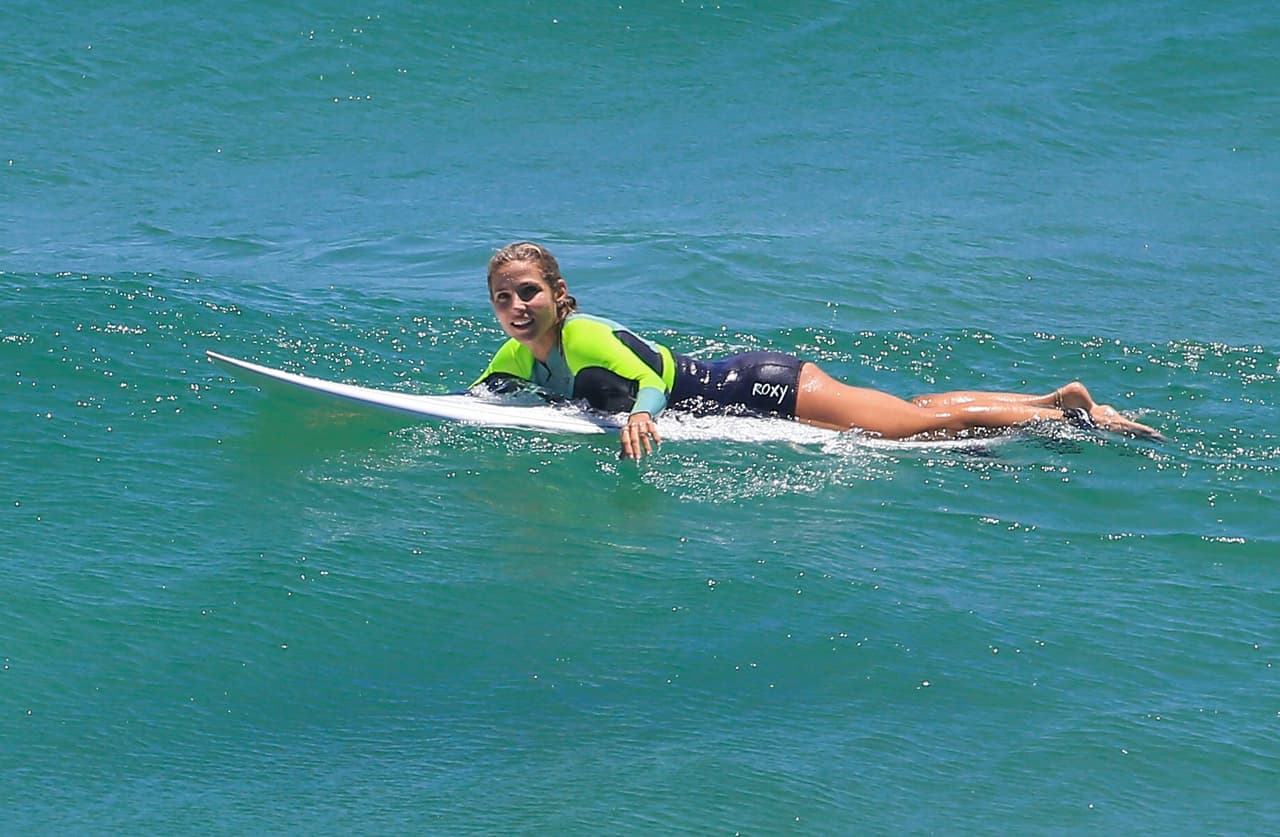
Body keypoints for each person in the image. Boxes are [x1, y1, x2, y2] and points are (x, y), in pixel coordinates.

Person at [472, 241, 1165, 460]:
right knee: (908, 410)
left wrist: (642, 414)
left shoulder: (583, 332)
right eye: (503, 298)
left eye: (528, 291)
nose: (516, 307)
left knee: (913, 428)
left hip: (757, 386)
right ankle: (1050, 401)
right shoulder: (517, 356)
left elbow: (649, 371)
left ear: (558, 292)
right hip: (749, 392)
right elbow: (474, 400)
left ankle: (1069, 412)